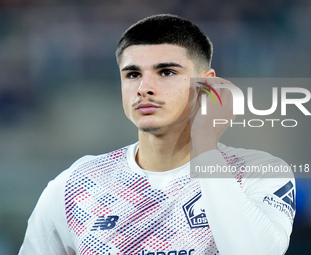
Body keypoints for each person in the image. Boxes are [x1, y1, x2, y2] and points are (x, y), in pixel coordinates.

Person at [19, 14, 295, 255]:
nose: (144, 87)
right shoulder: (75, 185)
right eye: (132, 74)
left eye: (166, 72)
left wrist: (206, 144)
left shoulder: (259, 173)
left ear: (206, 84)